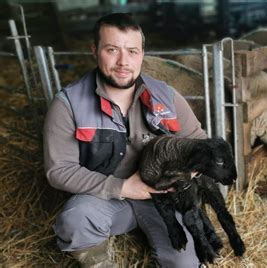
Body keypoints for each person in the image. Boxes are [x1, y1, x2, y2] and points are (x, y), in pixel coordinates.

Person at [43, 13, 207, 267]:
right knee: (74, 221)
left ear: (142, 53)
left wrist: (182, 176)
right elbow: (59, 170)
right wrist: (122, 188)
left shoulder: (167, 96)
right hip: (105, 198)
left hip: (161, 197)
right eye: (112, 50)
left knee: (184, 262)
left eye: (132, 51)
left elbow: (200, 144)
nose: (123, 61)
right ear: (94, 50)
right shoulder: (69, 104)